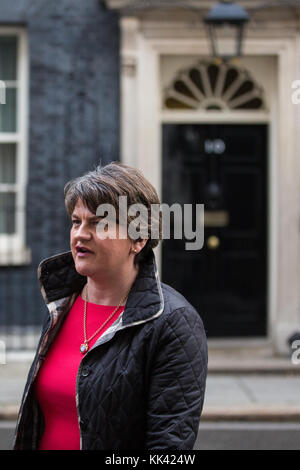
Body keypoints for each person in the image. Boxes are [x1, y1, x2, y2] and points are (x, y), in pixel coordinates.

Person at [13, 161, 208, 450]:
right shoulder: (61, 305)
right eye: (76, 221)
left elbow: (168, 448)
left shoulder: (174, 323)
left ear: (138, 239)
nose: (80, 233)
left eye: (98, 223)